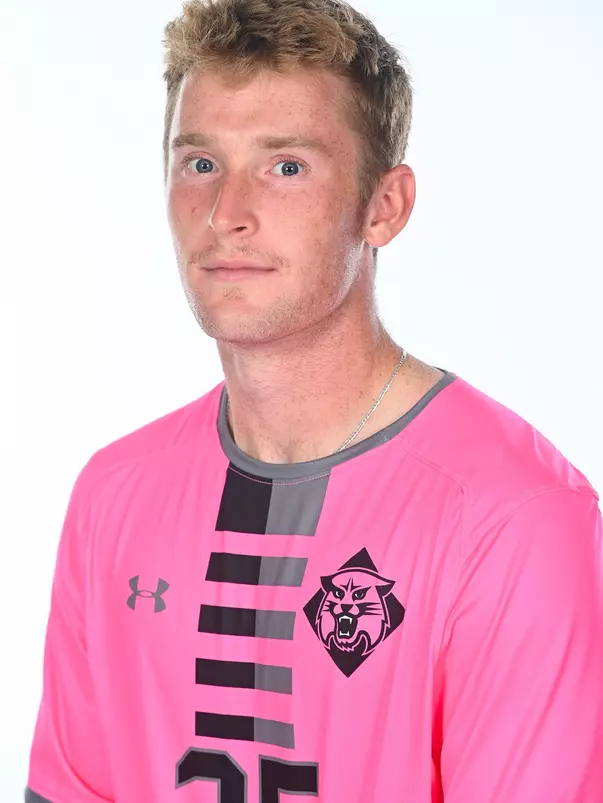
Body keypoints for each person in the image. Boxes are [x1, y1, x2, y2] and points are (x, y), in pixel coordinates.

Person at [25, 0, 603, 800]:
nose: (226, 215)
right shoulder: (113, 495)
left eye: (285, 167)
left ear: (383, 206)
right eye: (200, 163)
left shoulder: (513, 520)